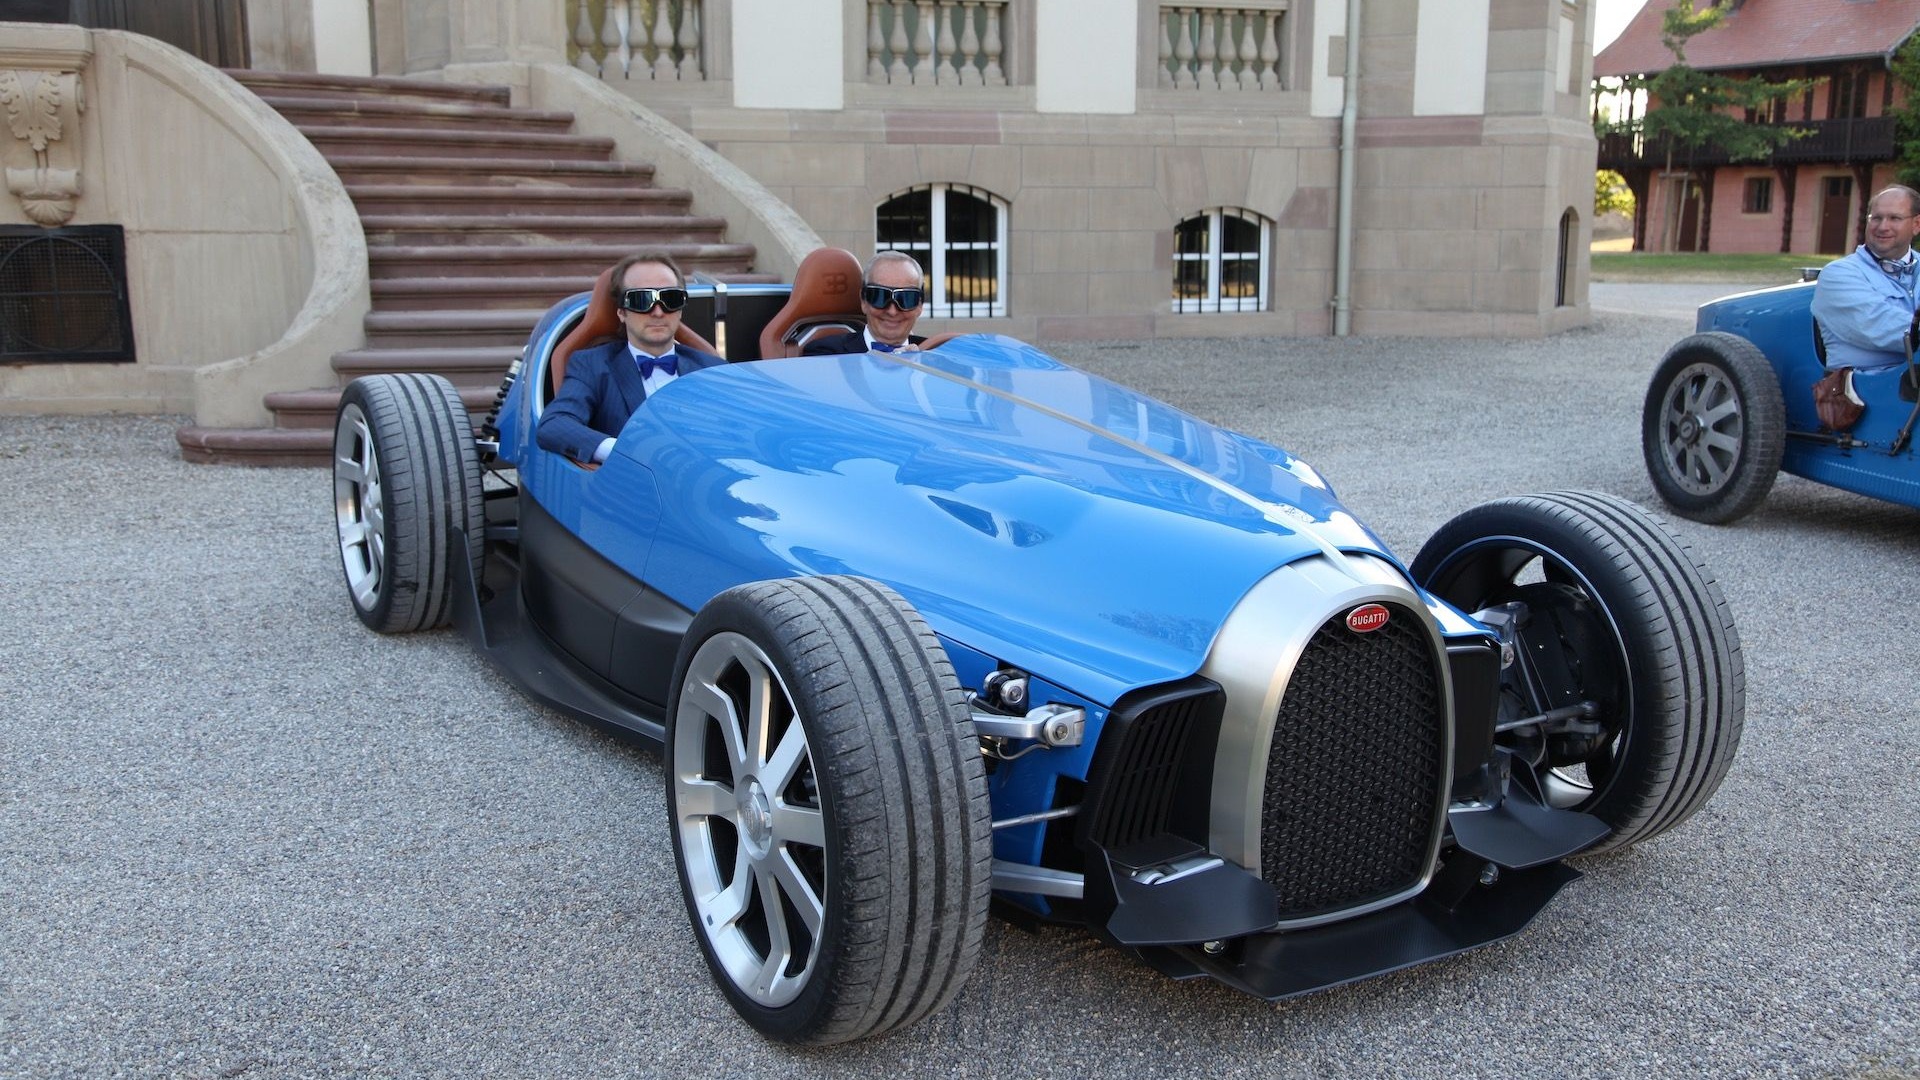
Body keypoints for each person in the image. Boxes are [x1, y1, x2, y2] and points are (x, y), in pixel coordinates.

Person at [537, 251, 724, 465]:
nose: (657, 312)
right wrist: (622, 452)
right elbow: (555, 425)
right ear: (622, 313)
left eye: (669, 298)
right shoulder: (592, 365)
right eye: (641, 299)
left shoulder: (711, 367)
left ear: (680, 310)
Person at [1810, 185, 1920, 371]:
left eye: (1894, 218)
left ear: (1917, 224)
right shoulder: (1838, 274)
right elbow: (1880, 327)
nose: (1883, 226)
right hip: (1863, 390)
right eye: (1876, 218)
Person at [802, 251, 929, 355]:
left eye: (906, 298)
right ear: (863, 301)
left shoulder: (934, 353)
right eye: (880, 296)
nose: (892, 311)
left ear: (919, 305)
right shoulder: (825, 353)